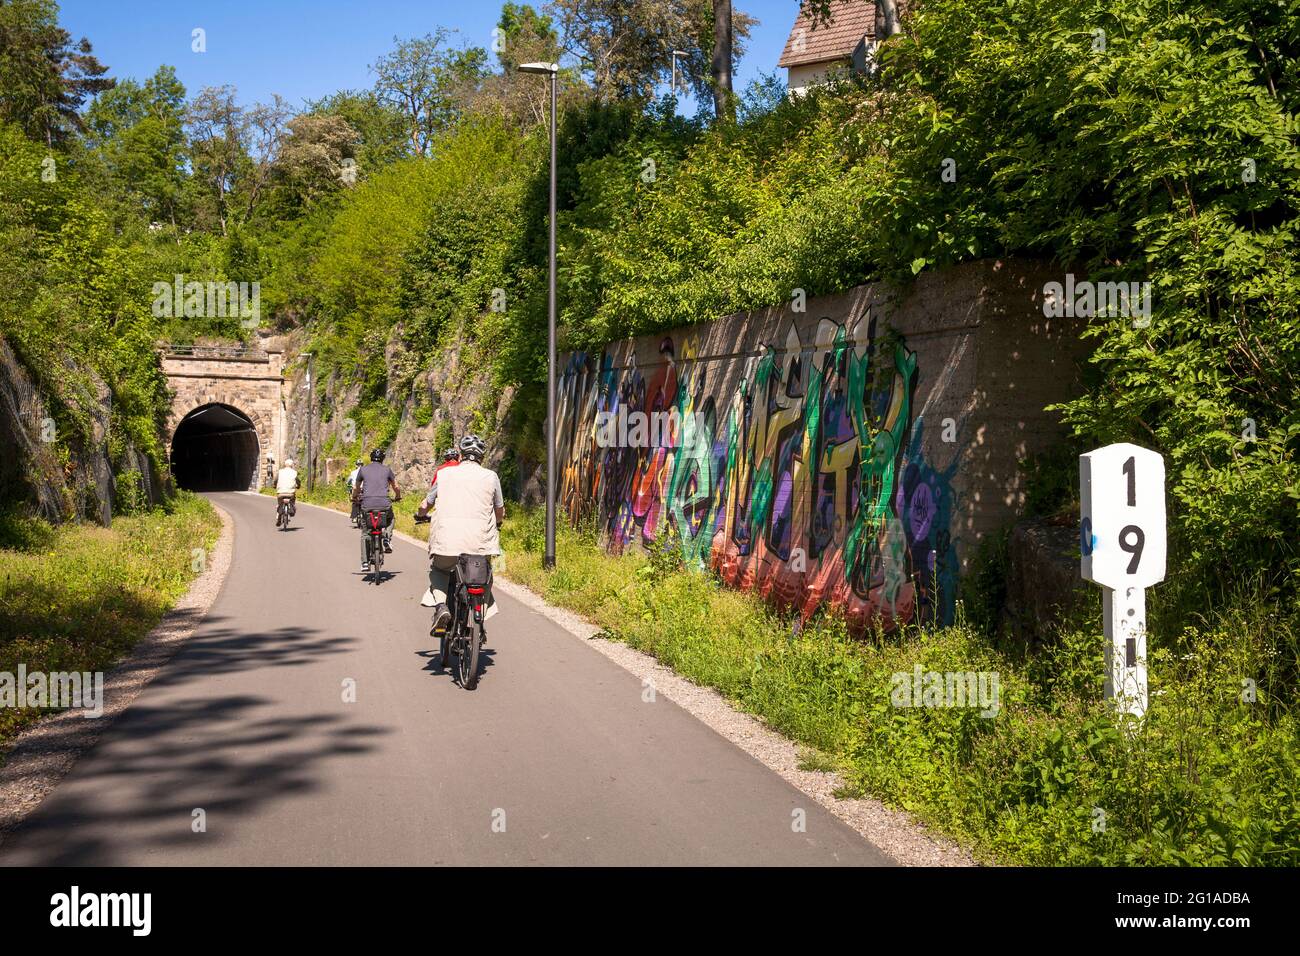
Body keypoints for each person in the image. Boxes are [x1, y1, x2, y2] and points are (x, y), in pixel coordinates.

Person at [416, 433, 504, 635]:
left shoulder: (445, 474)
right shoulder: (491, 477)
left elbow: (426, 504)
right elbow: (500, 509)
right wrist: (498, 522)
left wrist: (420, 514)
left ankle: (441, 607)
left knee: (439, 570)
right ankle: (479, 614)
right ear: (482, 456)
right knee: (485, 575)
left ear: (461, 454)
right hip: (479, 545)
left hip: (447, 543)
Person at [351, 448, 401, 570]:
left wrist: (354, 497)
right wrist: (398, 496)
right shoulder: (387, 470)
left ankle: (364, 562)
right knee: (391, 518)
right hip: (384, 504)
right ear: (382, 459)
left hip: (367, 504)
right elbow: (396, 486)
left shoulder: (362, 470)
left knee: (365, 532)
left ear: (371, 458)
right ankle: (386, 537)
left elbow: (356, 488)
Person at [275, 457, 300, 523]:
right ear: (291, 465)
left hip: (281, 492)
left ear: (285, 464)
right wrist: (298, 486)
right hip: (290, 493)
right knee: (293, 499)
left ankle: (278, 515)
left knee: (279, 503)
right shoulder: (294, 472)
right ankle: (292, 508)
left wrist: (274, 485)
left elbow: (275, 480)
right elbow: (298, 481)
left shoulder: (280, 472)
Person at [346, 458, 364, 526]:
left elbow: (348, 482)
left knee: (354, 501)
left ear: (356, 465)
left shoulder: (353, 472)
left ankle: (354, 517)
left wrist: (348, 488)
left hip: (356, 489)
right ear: (363, 465)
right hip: (365, 490)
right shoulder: (366, 472)